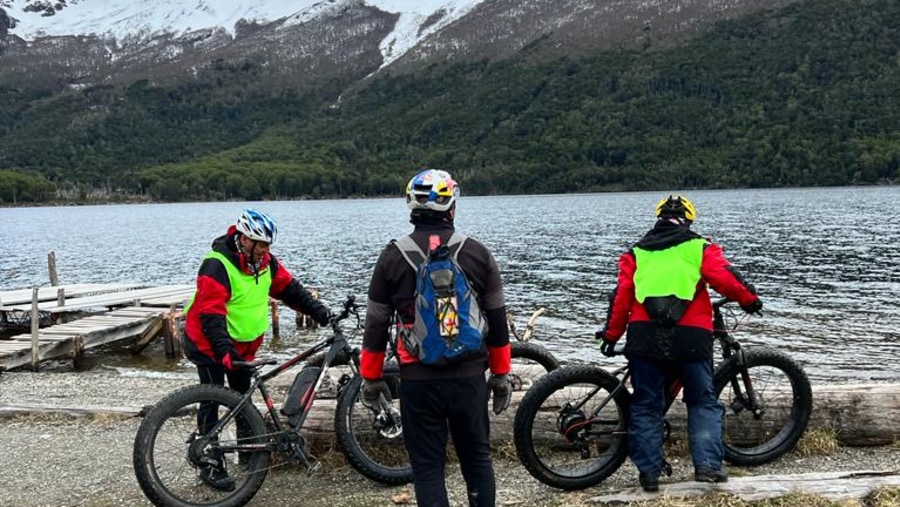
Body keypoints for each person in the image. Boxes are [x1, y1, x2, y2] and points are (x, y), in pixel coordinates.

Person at [359, 169, 512, 507]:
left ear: (411, 209)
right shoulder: (477, 253)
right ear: (452, 208)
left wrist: (370, 379)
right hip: (469, 376)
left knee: (428, 468)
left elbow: (376, 326)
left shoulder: (392, 257)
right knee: (477, 461)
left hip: (417, 378)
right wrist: (501, 375)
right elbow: (498, 321)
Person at [597, 195, 762, 492]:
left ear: (658, 219)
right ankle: (708, 467)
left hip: (644, 338)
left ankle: (649, 474)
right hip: (691, 339)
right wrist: (749, 300)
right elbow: (726, 279)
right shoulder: (699, 247)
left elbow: (621, 297)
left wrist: (611, 335)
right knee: (701, 401)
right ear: (689, 220)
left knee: (646, 404)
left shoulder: (636, 253)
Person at [183, 208, 333, 491]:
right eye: (261, 245)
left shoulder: (265, 263)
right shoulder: (217, 264)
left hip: (242, 346)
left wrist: (320, 312)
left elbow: (290, 290)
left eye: (268, 246)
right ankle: (209, 460)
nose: (266, 250)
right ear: (245, 240)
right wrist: (224, 350)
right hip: (208, 342)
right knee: (212, 397)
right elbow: (211, 313)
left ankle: (247, 454)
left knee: (242, 399)